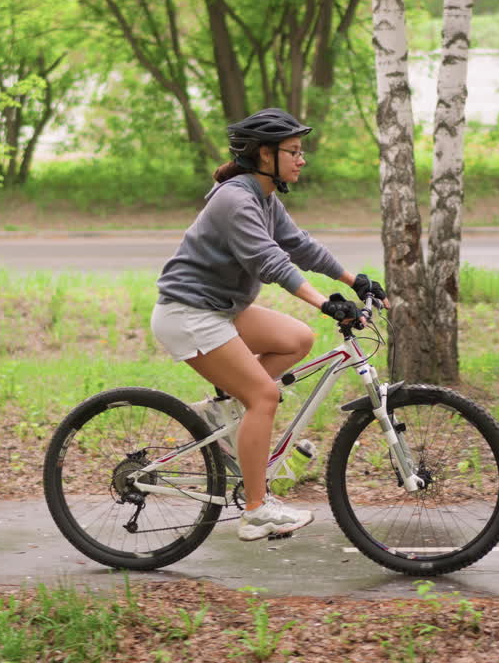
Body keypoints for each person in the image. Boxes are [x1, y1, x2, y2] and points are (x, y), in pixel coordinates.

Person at [150, 107, 387, 542]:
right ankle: (256, 511)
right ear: (264, 155)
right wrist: (326, 302)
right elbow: (269, 261)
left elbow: (299, 246)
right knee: (263, 396)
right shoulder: (235, 200)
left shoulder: (264, 197)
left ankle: (223, 410)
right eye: (293, 152)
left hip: (219, 307)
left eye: (301, 151)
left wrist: (355, 280)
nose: (302, 159)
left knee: (296, 338)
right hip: (188, 313)